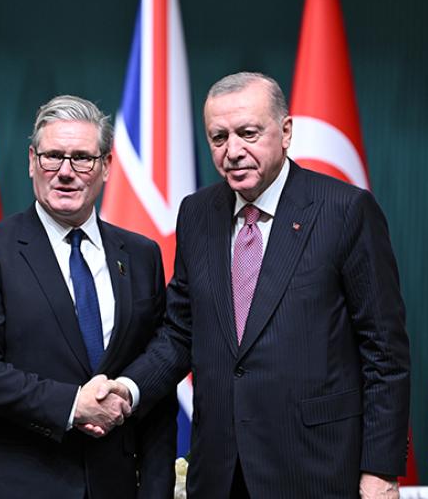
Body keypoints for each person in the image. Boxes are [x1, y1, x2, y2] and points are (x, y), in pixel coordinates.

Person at [96, 72, 410, 498]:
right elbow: (181, 331)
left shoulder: (345, 211)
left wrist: (380, 470)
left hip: (316, 469)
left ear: (285, 132)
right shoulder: (197, 213)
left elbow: (384, 352)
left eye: (248, 133)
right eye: (219, 137)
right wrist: (128, 388)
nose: (233, 151)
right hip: (220, 472)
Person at [0, 95, 176, 498]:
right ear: (32, 161)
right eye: (53, 156)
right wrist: (72, 404)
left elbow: (159, 381)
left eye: (82, 158)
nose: (65, 172)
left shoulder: (141, 256)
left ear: (106, 166)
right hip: (14, 486)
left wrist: (156, 490)